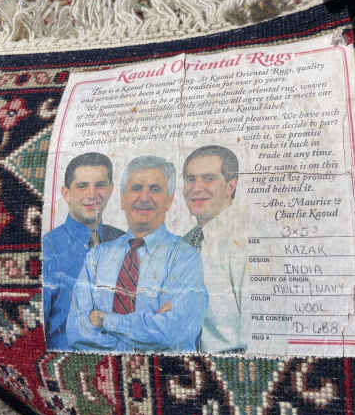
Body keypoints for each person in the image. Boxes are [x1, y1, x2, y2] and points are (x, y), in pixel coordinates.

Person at [66, 155, 208, 352]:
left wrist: (105, 320)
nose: (144, 198)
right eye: (136, 188)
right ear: (122, 199)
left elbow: (175, 332)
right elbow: (76, 332)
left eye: (155, 189)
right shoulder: (96, 257)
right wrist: (149, 330)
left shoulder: (185, 257)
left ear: (169, 200)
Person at [43, 152, 125, 351]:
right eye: (82, 186)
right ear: (66, 193)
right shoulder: (48, 248)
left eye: (100, 185)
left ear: (110, 190)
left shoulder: (125, 242)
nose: (92, 194)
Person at [183, 145, 248, 353]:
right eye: (190, 179)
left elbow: (263, 334)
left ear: (230, 186)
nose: (196, 188)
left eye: (208, 178)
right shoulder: (185, 243)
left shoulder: (247, 242)